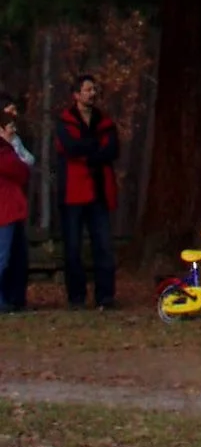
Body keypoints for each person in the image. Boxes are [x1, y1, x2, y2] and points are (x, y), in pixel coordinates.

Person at [54, 73, 119, 311]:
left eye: (94, 89)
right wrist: (94, 148)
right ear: (76, 94)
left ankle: (105, 296)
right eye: (88, 89)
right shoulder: (65, 121)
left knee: (103, 245)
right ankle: (76, 297)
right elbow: (70, 148)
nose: (93, 93)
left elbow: (112, 149)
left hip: (98, 192)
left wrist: (88, 151)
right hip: (72, 194)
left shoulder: (104, 121)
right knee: (73, 248)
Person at [0, 96, 32, 315]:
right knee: (2, 257)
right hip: (5, 209)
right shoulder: (4, 151)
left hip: (12, 208)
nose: (13, 128)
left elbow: (27, 164)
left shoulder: (9, 148)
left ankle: (13, 298)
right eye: (9, 125)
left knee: (14, 256)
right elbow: (20, 169)